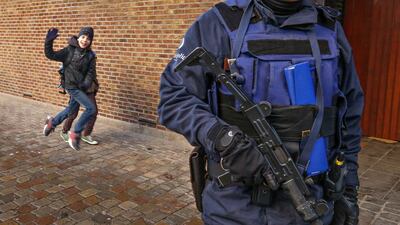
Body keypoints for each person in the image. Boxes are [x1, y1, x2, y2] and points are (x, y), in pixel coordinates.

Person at [158, 0, 364, 224]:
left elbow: (349, 117)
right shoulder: (221, 22)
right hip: (234, 206)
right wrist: (224, 139)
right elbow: (174, 98)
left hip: (311, 202)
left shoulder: (330, 28)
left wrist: (348, 188)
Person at [43, 27, 97, 151]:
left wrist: (84, 85)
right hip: (71, 86)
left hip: (81, 87)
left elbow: (91, 73)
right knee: (90, 108)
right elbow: (51, 55)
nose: (85, 40)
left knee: (70, 110)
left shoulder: (90, 55)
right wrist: (48, 42)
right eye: (83, 37)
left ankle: (52, 123)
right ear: (79, 37)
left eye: (88, 38)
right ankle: (76, 133)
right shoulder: (69, 51)